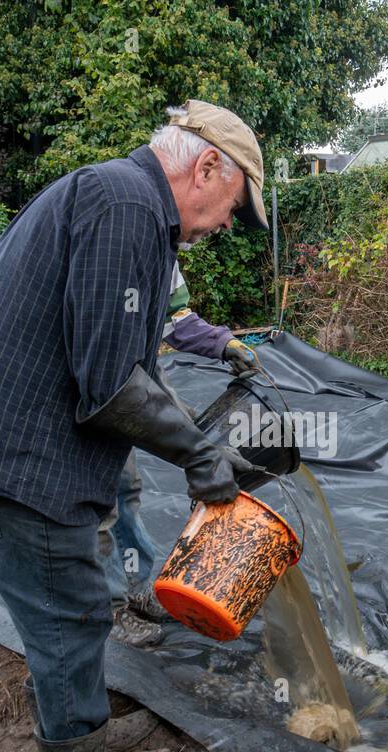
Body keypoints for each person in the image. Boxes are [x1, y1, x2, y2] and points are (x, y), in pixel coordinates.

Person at [0, 100, 269, 752]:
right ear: (206, 167)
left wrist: (202, 442)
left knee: (74, 608)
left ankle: (85, 730)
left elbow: (124, 364)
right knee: (67, 616)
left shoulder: (120, 199)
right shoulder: (126, 206)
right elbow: (108, 387)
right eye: (234, 207)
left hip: (20, 448)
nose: (228, 224)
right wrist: (199, 456)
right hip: (13, 459)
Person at [105, 262, 261, 647]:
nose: (223, 226)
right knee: (98, 500)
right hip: (91, 387)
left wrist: (223, 344)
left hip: (131, 370)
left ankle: (136, 587)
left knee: (125, 488)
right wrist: (197, 454)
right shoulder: (118, 240)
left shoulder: (165, 254)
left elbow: (177, 320)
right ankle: (108, 608)